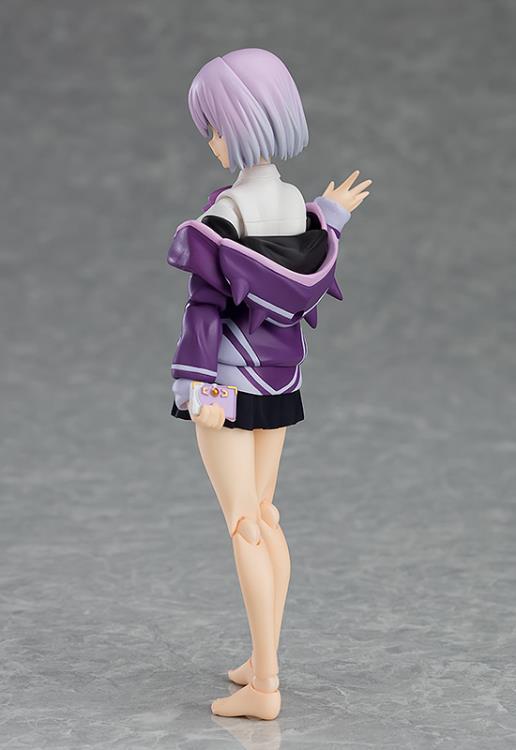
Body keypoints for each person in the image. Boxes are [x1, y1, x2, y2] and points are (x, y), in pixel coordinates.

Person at [167, 48, 372, 720]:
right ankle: (262, 662)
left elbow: (205, 307)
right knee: (266, 514)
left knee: (244, 524)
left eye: (213, 127)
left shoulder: (227, 214)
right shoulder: (291, 203)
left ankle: (266, 687)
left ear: (237, 123)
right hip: (281, 379)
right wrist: (331, 214)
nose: (212, 140)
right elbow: (305, 249)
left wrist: (194, 384)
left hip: (227, 380)